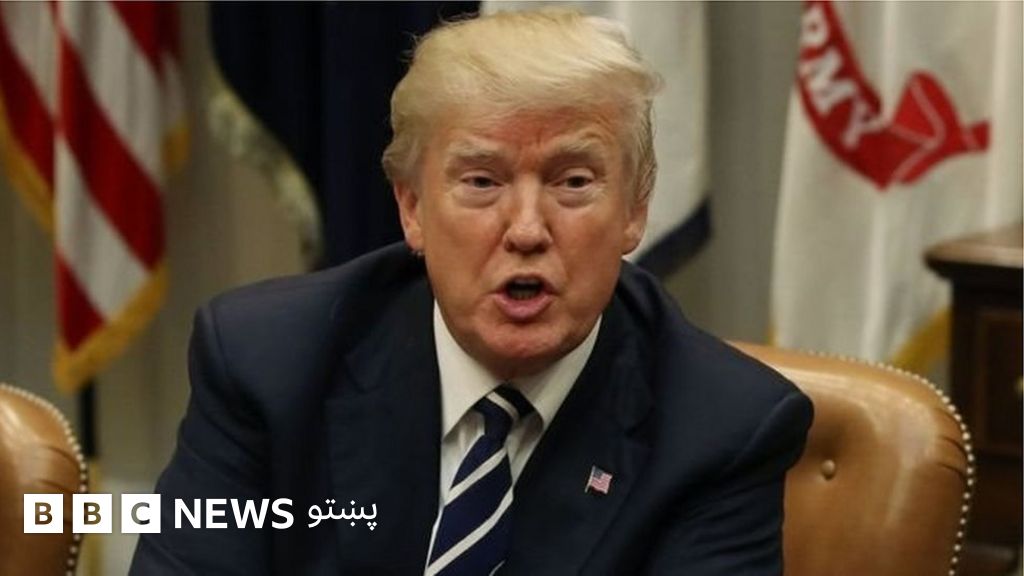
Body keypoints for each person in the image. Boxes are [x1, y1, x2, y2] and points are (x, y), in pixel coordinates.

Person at [131, 9, 812, 575]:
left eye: (573, 182)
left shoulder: (722, 428)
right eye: (482, 182)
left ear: (635, 209)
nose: (527, 230)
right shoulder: (268, 362)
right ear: (412, 208)